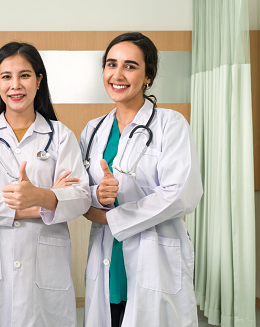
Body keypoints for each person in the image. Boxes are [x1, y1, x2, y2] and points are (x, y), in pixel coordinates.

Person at [0, 41, 91, 327]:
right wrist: (39, 204)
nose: (15, 85)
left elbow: (79, 197)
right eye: (6, 76)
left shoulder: (60, 135)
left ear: (39, 80)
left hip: (43, 272)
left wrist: (38, 195)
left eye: (25, 75)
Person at [79, 32, 203, 327]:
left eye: (130, 66)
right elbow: (81, 191)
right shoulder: (93, 130)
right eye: (111, 64)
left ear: (148, 76)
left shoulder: (170, 124)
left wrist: (111, 217)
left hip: (155, 255)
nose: (117, 74)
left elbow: (180, 194)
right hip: (108, 259)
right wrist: (98, 194)